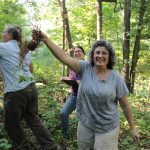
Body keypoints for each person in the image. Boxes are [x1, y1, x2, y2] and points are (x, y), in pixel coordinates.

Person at [40, 32, 140, 150]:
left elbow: (125, 105)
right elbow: (64, 57)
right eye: (97, 52)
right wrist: (45, 39)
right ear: (92, 55)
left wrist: (132, 127)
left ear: (109, 57)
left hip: (107, 128)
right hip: (85, 124)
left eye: (104, 53)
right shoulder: (84, 68)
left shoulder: (115, 78)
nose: (100, 55)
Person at [0, 25, 61, 150]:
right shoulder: (24, 47)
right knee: (33, 119)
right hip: (31, 88)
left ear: (10, 34)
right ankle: (52, 146)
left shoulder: (3, 47)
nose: (2, 35)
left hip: (16, 92)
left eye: (3, 32)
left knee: (12, 125)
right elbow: (31, 69)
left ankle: (23, 147)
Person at [60, 46, 85, 140]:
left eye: (79, 51)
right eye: (75, 52)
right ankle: (66, 137)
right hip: (74, 95)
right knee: (63, 113)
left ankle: (81, 138)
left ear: (83, 53)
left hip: (84, 97)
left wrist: (80, 82)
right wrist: (66, 79)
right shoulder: (72, 65)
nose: (77, 53)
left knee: (81, 118)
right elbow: (72, 79)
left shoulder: (88, 65)